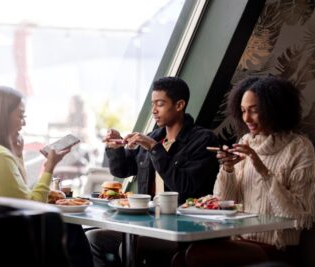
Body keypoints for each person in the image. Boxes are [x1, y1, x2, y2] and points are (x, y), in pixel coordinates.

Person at [176, 76, 315, 266]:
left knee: (195, 256)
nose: (246, 118)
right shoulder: (245, 142)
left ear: (274, 109)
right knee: (180, 256)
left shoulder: (299, 148)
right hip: (238, 240)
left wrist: (262, 169)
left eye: (254, 110)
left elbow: (297, 216)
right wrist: (228, 168)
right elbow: (224, 201)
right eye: (243, 111)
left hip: (277, 248)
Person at [0, 85, 93, 267]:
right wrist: (49, 167)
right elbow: (31, 207)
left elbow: (19, 194)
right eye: (21, 115)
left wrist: (17, 154)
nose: (23, 123)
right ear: (2, 117)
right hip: (0, 245)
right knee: (72, 230)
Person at [87, 76, 219, 267]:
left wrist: (155, 149)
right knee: (94, 238)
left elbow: (186, 186)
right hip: (147, 222)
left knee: (131, 247)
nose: (154, 110)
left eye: (160, 104)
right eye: (152, 104)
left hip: (182, 226)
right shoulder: (153, 136)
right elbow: (122, 170)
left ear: (179, 105)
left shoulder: (203, 140)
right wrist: (114, 147)